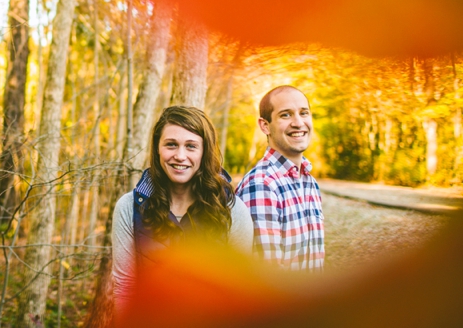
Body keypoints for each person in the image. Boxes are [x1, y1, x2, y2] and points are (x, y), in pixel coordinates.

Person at [111, 106, 253, 309]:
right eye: (171, 144)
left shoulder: (232, 209)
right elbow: (125, 287)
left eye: (191, 146)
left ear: (204, 152)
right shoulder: (128, 207)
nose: (180, 155)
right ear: (157, 148)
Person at [236, 85, 324, 271]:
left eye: (304, 113)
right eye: (286, 115)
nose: (298, 122)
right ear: (265, 125)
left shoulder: (309, 182)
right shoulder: (262, 185)